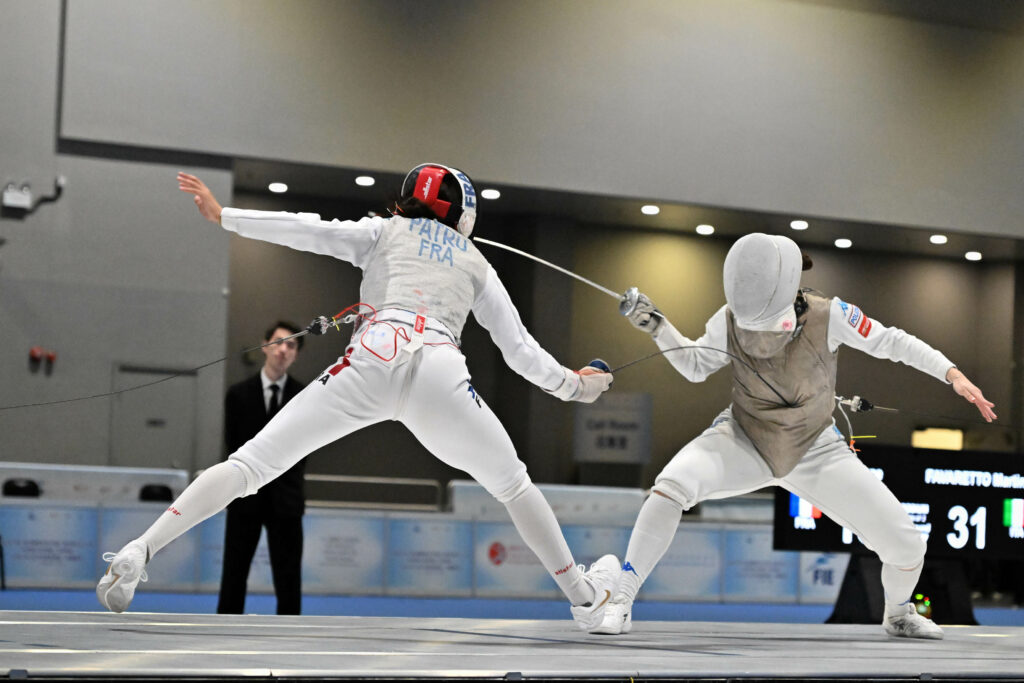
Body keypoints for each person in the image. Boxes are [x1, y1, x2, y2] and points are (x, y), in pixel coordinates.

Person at [96, 164, 618, 629]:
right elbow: (521, 351)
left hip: (371, 358)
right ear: (463, 213)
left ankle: (141, 549)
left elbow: (307, 229)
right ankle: (585, 598)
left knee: (251, 464)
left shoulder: (382, 231)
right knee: (514, 485)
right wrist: (576, 385)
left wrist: (224, 216)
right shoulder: (477, 262)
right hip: (440, 373)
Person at [595, 232, 996, 639]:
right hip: (744, 437)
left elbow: (891, 341)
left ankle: (897, 614)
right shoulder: (729, 316)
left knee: (907, 545)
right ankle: (622, 599)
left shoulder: (830, 314)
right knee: (670, 486)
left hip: (815, 449)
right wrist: (659, 326)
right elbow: (696, 366)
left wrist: (951, 373)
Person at [218, 321, 307, 615]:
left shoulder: (304, 398)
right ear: (265, 345)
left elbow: (303, 450)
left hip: (286, 501)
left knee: (288, 579)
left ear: (295, 354)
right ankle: (223, 630)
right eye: (279, 342)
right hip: (245, 498)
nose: (283, 349)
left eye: (291, 345)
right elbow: (233, 447)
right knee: (234, 574)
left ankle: (289, 634)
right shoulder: (238, 394)